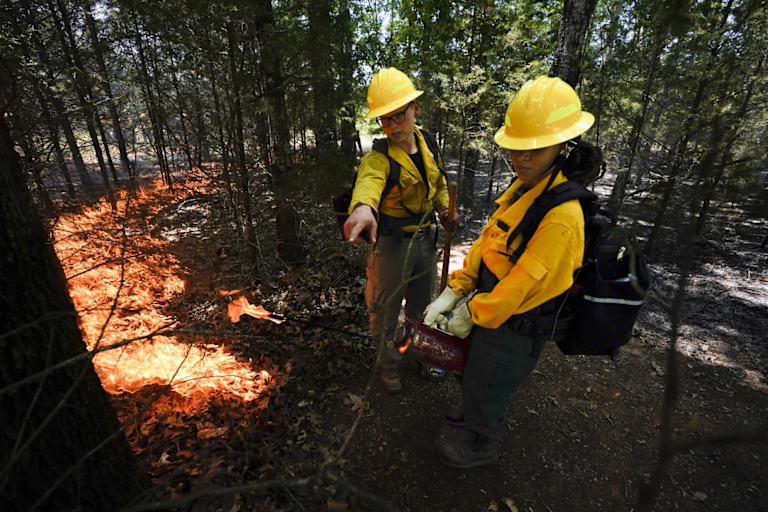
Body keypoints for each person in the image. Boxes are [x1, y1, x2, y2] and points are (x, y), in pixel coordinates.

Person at [423, 76, 602, 468]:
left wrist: (472, 312)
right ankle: (472, 412)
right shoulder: (527, 186)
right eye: (516, 148)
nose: (520, 158)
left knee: (491, 383)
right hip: (492, 309)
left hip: (516, 325)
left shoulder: (562, 216)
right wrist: (457, 290)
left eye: (534, 149)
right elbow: (491, 241)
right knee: (473, 370)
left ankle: (481, 441)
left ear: (562, 146)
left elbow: (524, 285)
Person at [344, 67, 459, 393]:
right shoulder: (379, 157)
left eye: (400, 115)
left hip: (425, 243)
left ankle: (417, 352)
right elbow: (368, 184)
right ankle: (389, 365)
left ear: (415, 109)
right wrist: (363, 209)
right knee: (385, 310)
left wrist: (446, 210)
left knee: (422, 307)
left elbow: (436, 184)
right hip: (391, 248)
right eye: (385, 119)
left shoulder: (427, 142)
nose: (393, 125)